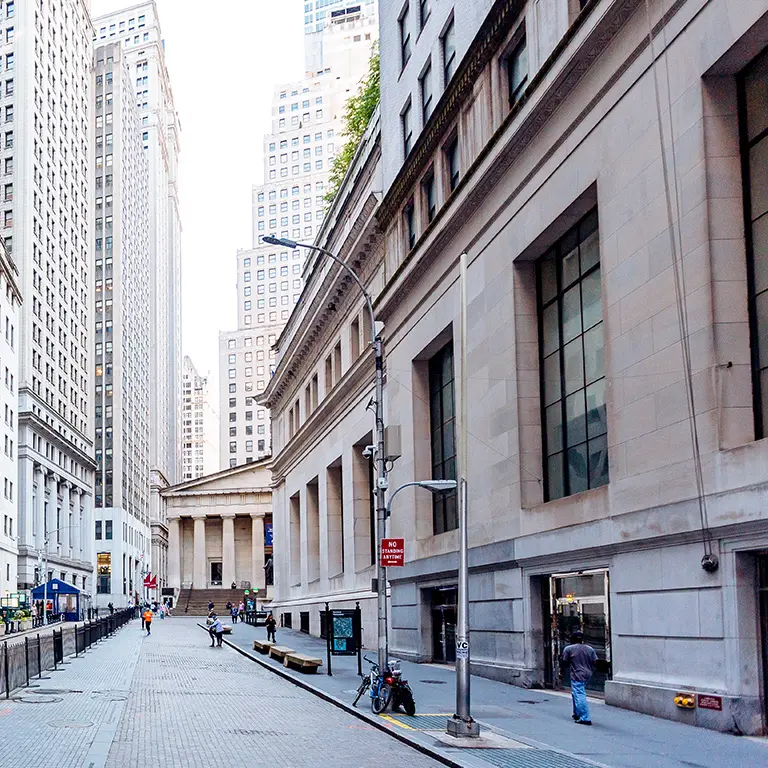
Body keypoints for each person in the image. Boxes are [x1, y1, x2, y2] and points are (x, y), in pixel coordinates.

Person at [561, 630, 598, 726]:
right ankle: (576, 713)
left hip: (577, 674)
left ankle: (585, 717)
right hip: (588, 674)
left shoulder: (569, 649)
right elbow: (595, 661)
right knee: (575, 693)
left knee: (579, 695)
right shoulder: (590, 649)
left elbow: (564, 661)